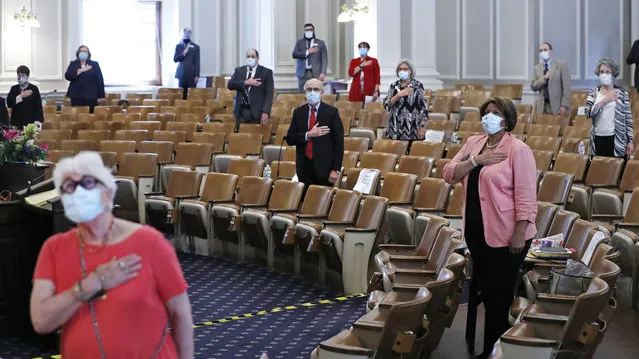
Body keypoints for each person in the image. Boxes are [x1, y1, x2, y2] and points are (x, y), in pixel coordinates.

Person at [30, 152, 194, 358]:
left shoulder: (150, 243)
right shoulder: (54, 248)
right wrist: (90, 284)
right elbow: (41, 321)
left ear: (108, 192)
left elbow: (181, 316)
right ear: (63, 199)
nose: (78, 192)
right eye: (70, 187)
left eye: (88, 183)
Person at [443, 97, 537, 359]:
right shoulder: (474, 143)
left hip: (508, 235)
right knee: (486, 289)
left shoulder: (518, 150)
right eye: (486, 112)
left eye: (495, 113)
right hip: (477, 232)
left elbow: (527, 197)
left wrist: (520, 232)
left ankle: (494, 351)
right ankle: (488, 345)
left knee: (498, 297)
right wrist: (477, 160)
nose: (489, 116)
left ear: (507, 120)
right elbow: (449, 174)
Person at [286, 78, 344, 189]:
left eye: (316, 89)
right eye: (309, 89)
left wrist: (335, 169)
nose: (312, 92)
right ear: (305, 92)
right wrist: (308, 135)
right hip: (304, 166)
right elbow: (290, 138)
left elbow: (339, 144)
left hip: (325, 167)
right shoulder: (298, 112)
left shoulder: (331, 113)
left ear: (322, 92)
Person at [584, 57, 634, 158]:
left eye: (607, 72)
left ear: (613, 74)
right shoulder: (593, 93)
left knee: (615, 171)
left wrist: (630, 141)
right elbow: (587, 113)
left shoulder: (622, 93)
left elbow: (628, 119)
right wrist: (604, 101)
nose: (604, 74)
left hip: (616, 140)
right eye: (602, 72)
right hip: (598, 138)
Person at [227, 49, 274, 131]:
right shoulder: (239, 70)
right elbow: (230, 85)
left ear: (257, 58)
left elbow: (269, 94)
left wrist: (265, 112)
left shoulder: (266, 72)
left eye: (253, 56)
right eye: (248, 56)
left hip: (257, 111)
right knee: (240, 137)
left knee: (254, 137)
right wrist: (246, 82)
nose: (250, 58)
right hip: (241, 111)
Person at [383, 59, 429, 142]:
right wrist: (398, 95)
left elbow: (423, 108)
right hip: (395, 128)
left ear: (410, 70)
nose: (402, 71)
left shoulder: (417, 86)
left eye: (405, 69)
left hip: (412, 129)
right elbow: (387, 105)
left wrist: (422, 127)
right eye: (400, 69)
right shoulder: (394, 86)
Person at [530, 42, 571, 115]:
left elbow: (567, 87)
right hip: (542, 107)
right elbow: (533, 86)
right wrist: (544, 78)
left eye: (545, 50)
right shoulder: (537, 68)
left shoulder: (561, 65)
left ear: (551, 52)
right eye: (541, 51)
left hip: (557, 106)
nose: (543, 52)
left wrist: (564, 105)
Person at [64, 45, 105, 113]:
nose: (83, 53)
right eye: (81, 51)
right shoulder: (73, 64)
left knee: (90, 116)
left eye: (85, 51)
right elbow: (67, 76)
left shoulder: (94, 64)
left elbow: (100, 80)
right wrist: (79, 71)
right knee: (77, 116)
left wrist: (101, 96)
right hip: (76, 96)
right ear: (78, 53)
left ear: (88, 54)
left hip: (91, 96)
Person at [292, 23, 328, 93]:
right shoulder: (299, 42)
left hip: (315, 72)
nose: (308, 31)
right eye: (307, 30)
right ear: (304, 31)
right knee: (302, 94)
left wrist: (323, 72)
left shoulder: (320, 43)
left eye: (310, 29)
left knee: (315, 93)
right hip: (302, 73)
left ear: (313, 31)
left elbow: (324, 59)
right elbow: (294, 54)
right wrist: (307, 52)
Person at [174, 27, 201, 100]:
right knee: (181, 95)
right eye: (185, 32)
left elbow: (197, 62)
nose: (187, 34)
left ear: (191, 34)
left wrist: (197, 75)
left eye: (188, 32)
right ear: (182, 34)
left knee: (192, 95)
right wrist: (183, 53)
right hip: (181, 74)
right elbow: (175, 59)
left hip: (192, 75)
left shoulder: (196, 47)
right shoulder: (178, 46)